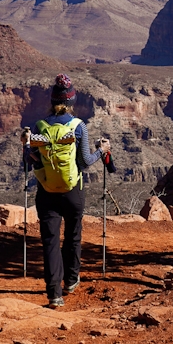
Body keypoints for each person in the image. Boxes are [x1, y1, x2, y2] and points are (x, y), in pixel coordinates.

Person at [22, 74, 109, 308]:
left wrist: (28, 147)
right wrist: (101, 151)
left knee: (50, 241)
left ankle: (54, 294)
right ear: (71, 101)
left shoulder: (40, 127)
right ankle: (71, 280)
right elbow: (85, 162)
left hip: (46, 193)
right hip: (73, 192)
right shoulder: (79, 126)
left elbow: (32, 161)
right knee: (73, 235)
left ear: (52, 101)